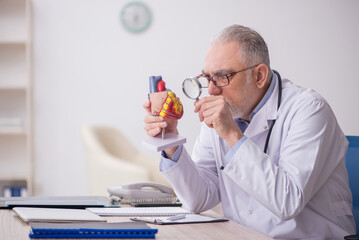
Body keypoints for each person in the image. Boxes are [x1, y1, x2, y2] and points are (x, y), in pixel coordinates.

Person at [143, 24, 355, 239]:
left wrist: (232, 134)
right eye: (207, 78)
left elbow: (287, 202)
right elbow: (199, 198)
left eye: (222, 76)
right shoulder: (226, 112)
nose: (212, 90)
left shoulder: (309, 110)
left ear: (259, 76)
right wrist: (170, 141)